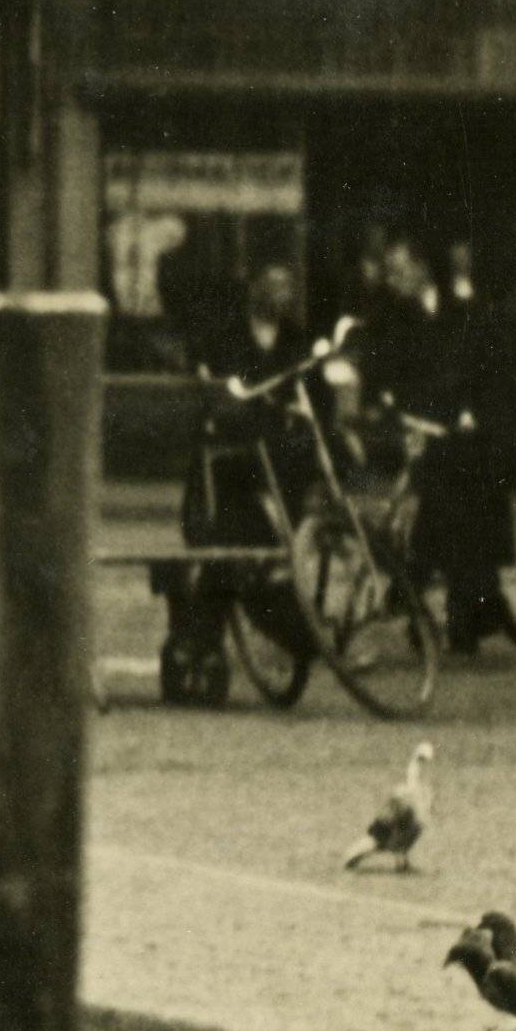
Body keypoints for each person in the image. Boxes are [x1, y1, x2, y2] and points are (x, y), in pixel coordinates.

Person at [361, 234, 516, 657]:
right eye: (389, 272)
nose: (394, 279)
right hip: (425, 432)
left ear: (422, 267)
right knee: (441, 516)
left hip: (466, 434)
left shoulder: (462, 311)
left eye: (401, 269)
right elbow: (384, 373)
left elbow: (486, 364)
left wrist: (477, 410)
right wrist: (392, 404)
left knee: (474, 514)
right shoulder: (390, 318)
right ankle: (456, 606)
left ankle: (464, 611)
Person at [174, 258, 329, 701]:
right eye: (273, 286)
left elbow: (315, 394)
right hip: (232, 465)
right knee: (235, 550)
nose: (283, 296)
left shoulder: (297, 341)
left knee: (265, 546)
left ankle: (290, 623)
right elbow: (212, 391)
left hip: (275, 464)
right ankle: (207, 642)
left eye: (288, 287)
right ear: (255, 291)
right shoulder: (227, 336)